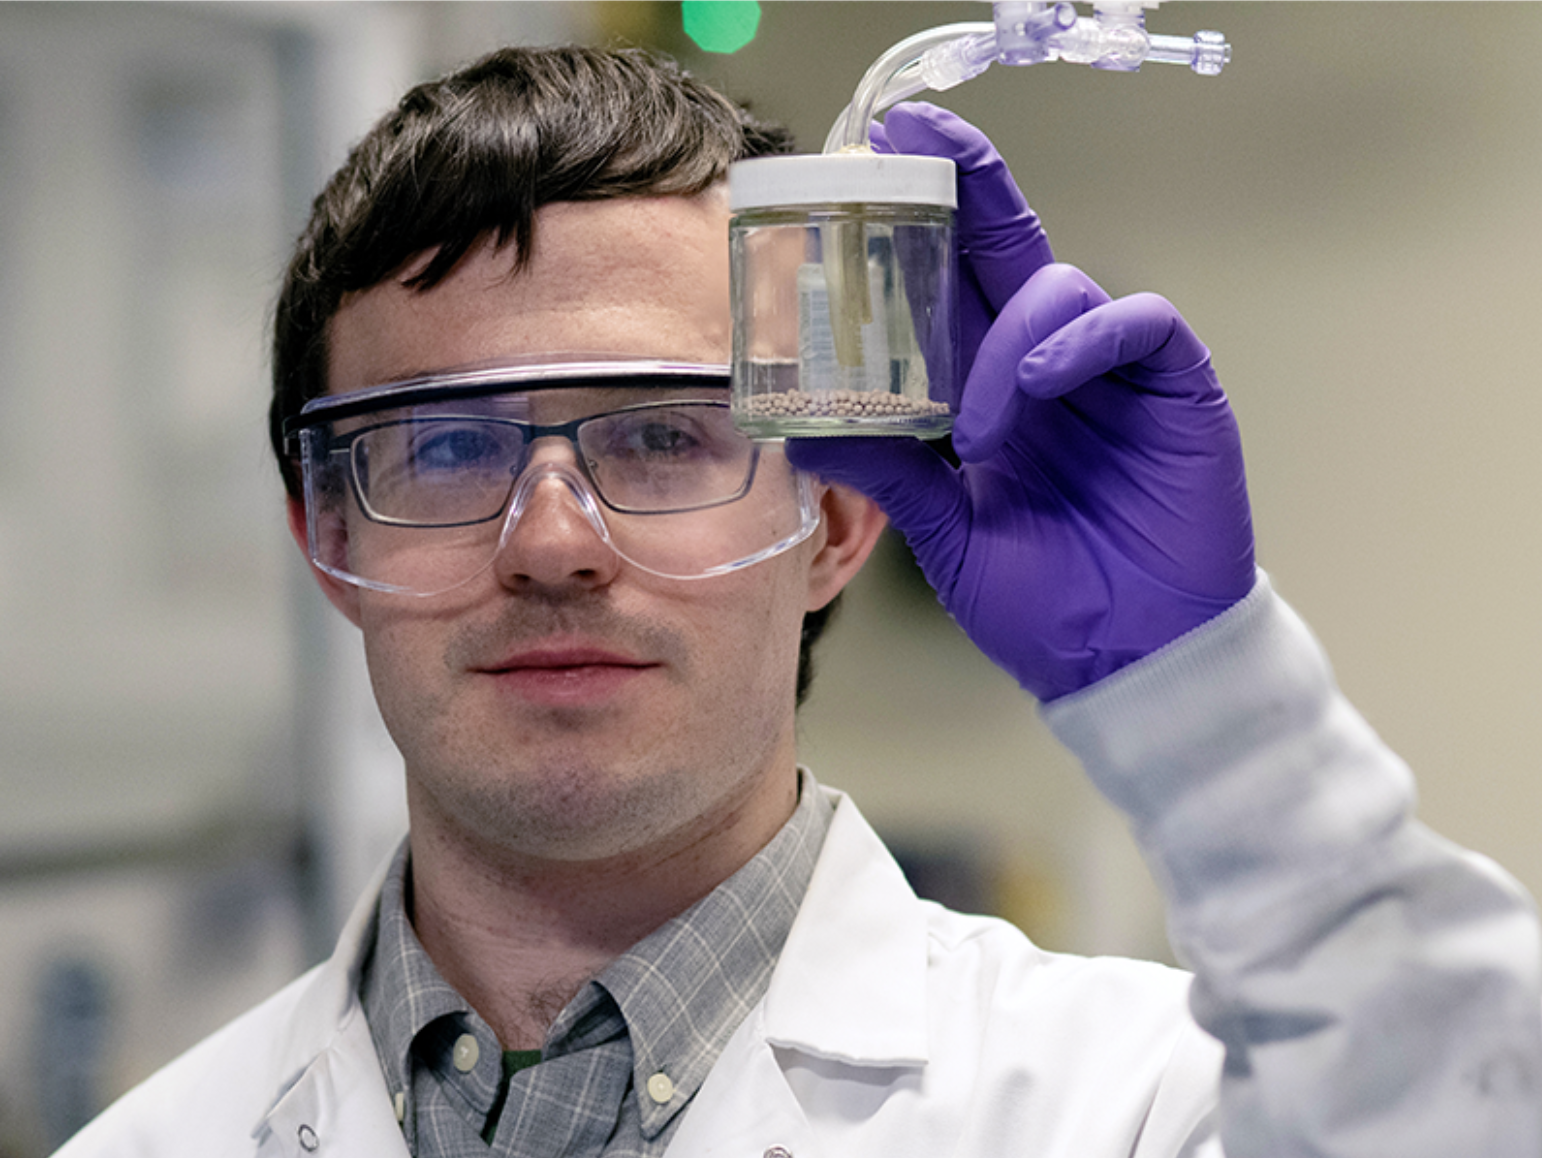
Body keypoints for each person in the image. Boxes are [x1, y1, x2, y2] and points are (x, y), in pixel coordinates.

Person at [55, 43, 1540, 1158]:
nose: (554, 540)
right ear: (324, 534)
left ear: (837, 508)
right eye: (446, 447)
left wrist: (1209, 710)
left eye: (658, 433)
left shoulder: (1131, 1104)